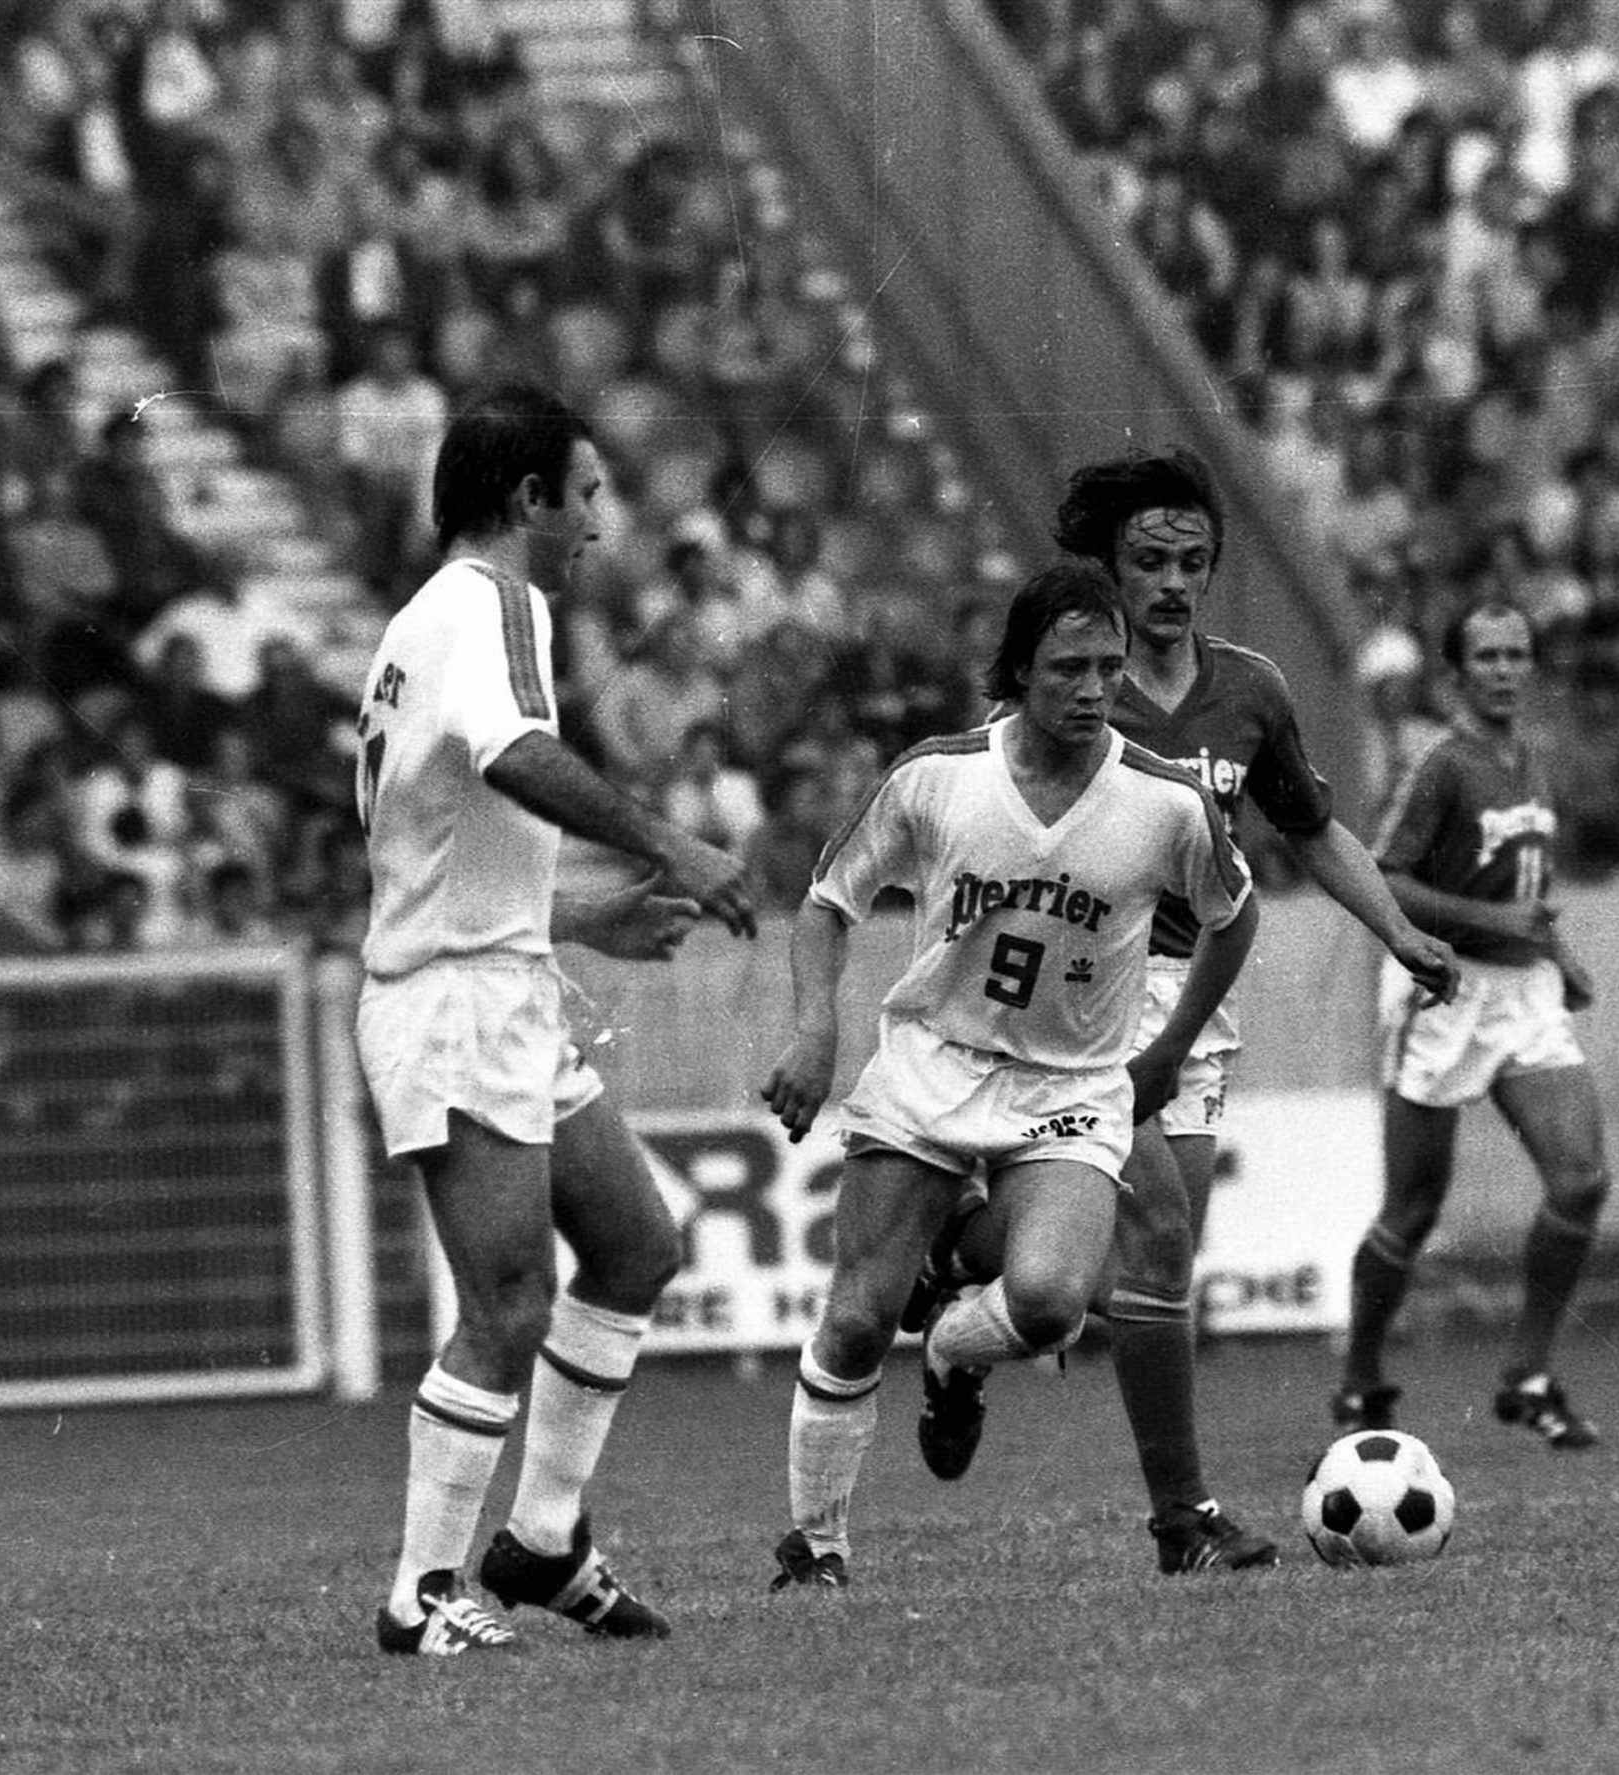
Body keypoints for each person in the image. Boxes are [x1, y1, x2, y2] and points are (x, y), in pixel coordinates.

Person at [896, 450, 1461, 1574]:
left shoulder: (1247, 691)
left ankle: (953, 1308)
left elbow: (1308, 829)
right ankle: (1183, 1521)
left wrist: (1397, 928)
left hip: (1192, 994)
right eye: (1149, 558)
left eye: (1193, 561)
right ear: (1106, 563)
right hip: (1072, 993)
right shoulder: (1063, 687)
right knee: (1149, 1242)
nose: (1172, 581)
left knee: (1131, 1277)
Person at [758, 562, 1258, 1590]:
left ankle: (950, 1345)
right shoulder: (940, 776)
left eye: (1109, 667)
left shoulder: (1162, 801)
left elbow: (1233, 911)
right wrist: (815, 1030)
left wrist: (1166, 1050)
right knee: (855, 1314)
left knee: (1047, 1304)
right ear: (1019, 668)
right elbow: (826, 900)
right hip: (933, 1064)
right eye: (1068, 666)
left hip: (1067, 1085)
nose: (1092, 687)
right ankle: (814, 1547)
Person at [353, 383, 757, 1656]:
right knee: (510, 1297)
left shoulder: (430, 624)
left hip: (500, 980)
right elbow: (517, 753)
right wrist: (670, 842)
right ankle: (419, 1589)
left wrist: (583, 917)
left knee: (635, 1244)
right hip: (456, 1003)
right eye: (584, 493)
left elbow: (451, 838)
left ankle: (539, 1543)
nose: (597, 520)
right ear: (527, 501)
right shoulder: (496, 602)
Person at [1334, 598, 1614, 1450]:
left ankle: (1526, 1375)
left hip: (1522, 992)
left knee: (1581, 1177)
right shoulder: (1442, 765)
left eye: (1516, 653)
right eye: (1486, 655)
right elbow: (1387, 878)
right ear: (1455, 674)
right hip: (1443, 985)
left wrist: (1554, 950)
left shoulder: (1531, 756)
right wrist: (1494, 926)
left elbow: (1526, 890)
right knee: (1413, 1209)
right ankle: (1360, 1380)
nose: (1504, 668)